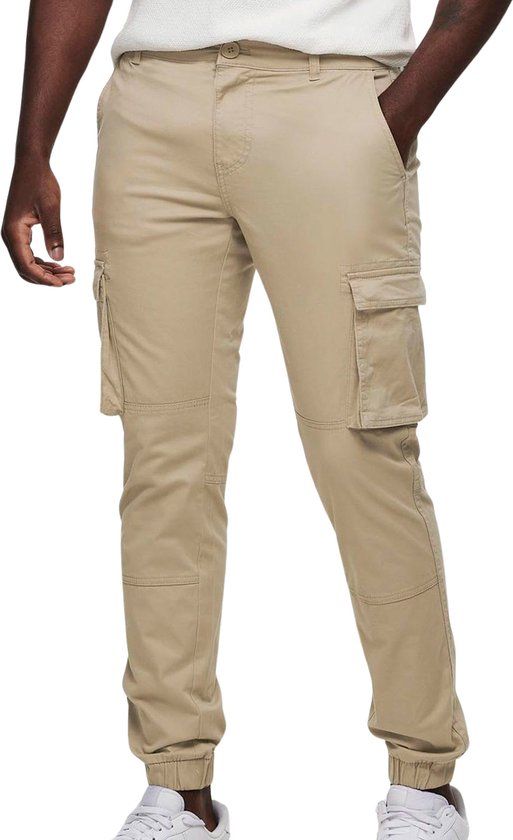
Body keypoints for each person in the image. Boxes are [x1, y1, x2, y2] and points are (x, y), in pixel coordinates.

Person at [3, 0, 511, 837]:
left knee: (360, 449)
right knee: (163, 461)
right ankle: (178, 788)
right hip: (152, 110)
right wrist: (33, 148)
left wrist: (394, 114)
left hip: (330, 99)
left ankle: (423, 781)